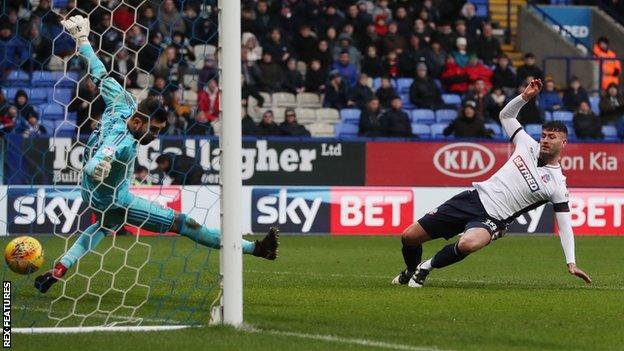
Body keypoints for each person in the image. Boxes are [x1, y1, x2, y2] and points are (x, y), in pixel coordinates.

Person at [35, 16, 279, 294]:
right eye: (156, 129)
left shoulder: (123, 103)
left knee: (101, 228)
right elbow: (98, 160)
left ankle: (60, 268)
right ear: (139, 123)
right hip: (117, 199)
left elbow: (100, 74)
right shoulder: (124, 144)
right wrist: (97, 166)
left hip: (94, 196)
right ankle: (255, 249)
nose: (157, 136)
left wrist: (82, 41)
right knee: (186, 223)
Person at [392, 79, 592, 288]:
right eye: (543, 135)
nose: (545, 140)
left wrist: (571, 262)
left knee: (468, 244)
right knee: (409, 236)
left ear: (564, 143)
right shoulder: (526, 144)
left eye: (552, 137)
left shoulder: (558, 184)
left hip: (495, 219)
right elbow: (506, 115)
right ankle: (410, 270)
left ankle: (426, 267)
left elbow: (565, 225)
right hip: (473, 199)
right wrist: (524, 97)